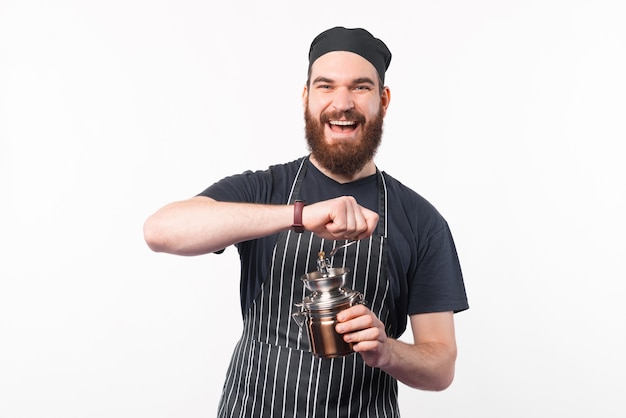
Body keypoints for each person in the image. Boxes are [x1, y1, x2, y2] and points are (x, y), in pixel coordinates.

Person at [144, 26, 469, 417]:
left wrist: (387, 351)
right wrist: (297, 215)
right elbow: (160, 231)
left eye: (361, 87)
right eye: (326, 86)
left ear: (383, 100)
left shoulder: (421, 221)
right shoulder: (265, 189)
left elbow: (441, 366)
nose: (342, 103)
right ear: (306, 98)